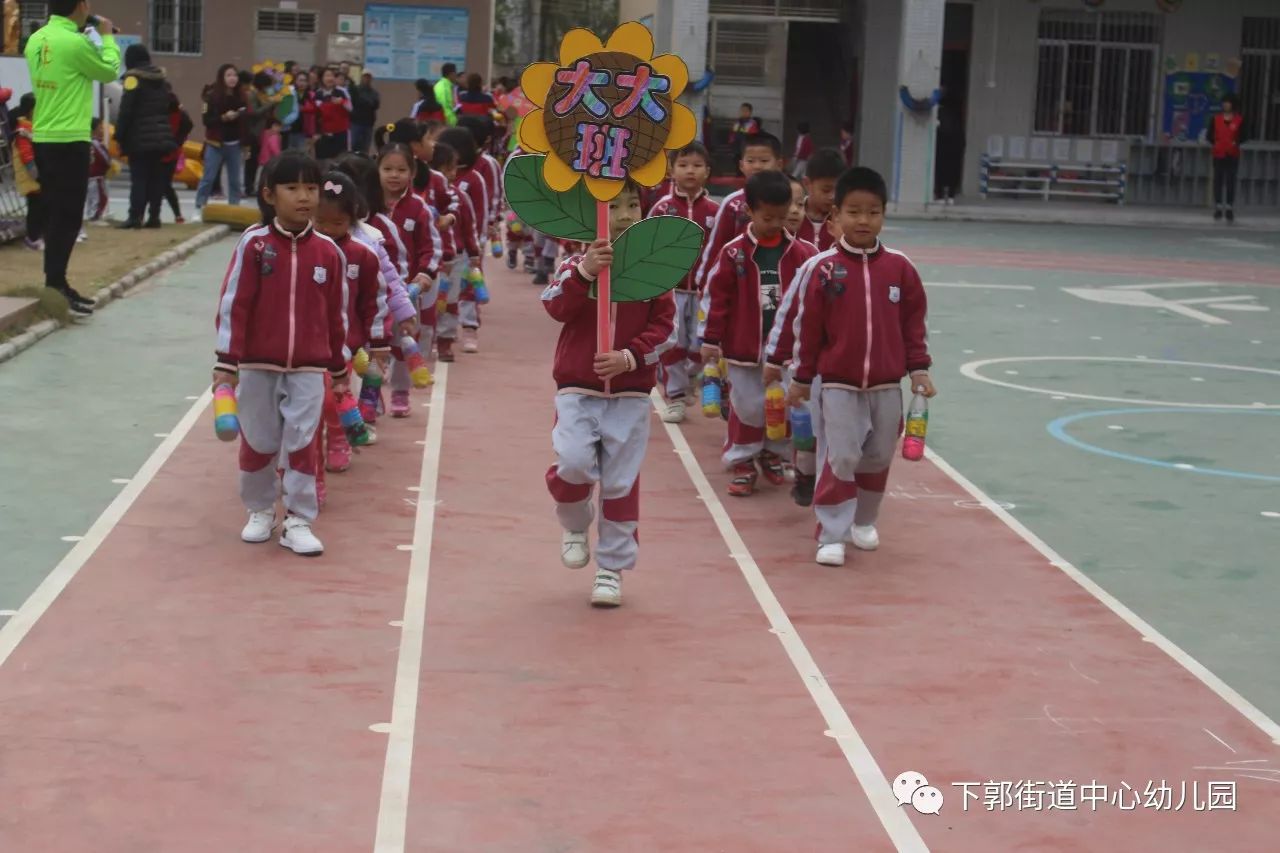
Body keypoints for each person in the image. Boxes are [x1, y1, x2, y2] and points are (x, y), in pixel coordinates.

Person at [781, 167, 936, 567]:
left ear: (884, 215)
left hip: (886, 384)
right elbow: (808, 329)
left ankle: (864, 521)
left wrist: (918, 368)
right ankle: (831, 532)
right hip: (837, 384)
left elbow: (913, 324)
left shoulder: (901, 268)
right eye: (853, 212)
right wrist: (801, 377)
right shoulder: (824, 268)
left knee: (880, 454)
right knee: (841, 456)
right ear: (836, 216)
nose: (863, 220)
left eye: (872, 212)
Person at [542, 181, 676, 607]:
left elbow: (666, 329)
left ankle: (611, 569)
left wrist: (630, 358)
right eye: (612, 205)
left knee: (620, 482)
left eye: (632, 204)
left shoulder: (654, 269)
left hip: (630, 394)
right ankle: (575, 520)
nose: (623, 214)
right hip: (577, 389)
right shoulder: (573, 265)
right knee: (574, 463)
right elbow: (555, 307)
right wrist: (584, 274)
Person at [212, 151, 349, 556]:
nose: (304, 197)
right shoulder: (253, 245)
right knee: (259, 439)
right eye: (292, 188)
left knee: (303, 441)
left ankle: (298, 519)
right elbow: (233, 304)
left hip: (309, 365)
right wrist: (227, 361)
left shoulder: (328, 252)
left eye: (311, 187)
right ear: (270, 195)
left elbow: (335, 314)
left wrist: (339, 366)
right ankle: (259, 510)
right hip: (257, 363)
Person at [701, 170, 818, 497]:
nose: (777, 223)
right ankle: (742, 460)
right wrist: (710, 339)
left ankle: (773, 453)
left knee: (781, 405)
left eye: (783, 217)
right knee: (748, 406)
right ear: (749, 211)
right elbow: (717, 299)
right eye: (768, 217)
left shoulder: (803, 255)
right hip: (742, 349)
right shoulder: (734, 253)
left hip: (784, 354)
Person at [24, 0, 121, 318]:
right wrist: (106, 37)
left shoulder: (37, 38)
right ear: (80, 5)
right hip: (70, 139)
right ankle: (56, 284)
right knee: (69, 217)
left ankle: (56, 281)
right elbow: (109, 70)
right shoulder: (75, 43)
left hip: (44, 136)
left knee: (56, 213)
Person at [312, 170, 388, 475]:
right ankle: (306, 450)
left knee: (335, 399)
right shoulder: (305, 252)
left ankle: (339, 439)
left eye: (338, 223)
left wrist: (379, 341)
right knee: (307, 404)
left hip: (345, 345)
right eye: (320, 223)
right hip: (307, 344)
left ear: (353, 220)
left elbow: (375, 300)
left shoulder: (363, 256)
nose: (329, 230)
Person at [648, 142, 719, 423]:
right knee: (673, 341)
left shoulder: (716, 211)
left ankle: (689, 378)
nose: (690, 170)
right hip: (671, 290)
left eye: (697, 165)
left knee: (698, 345)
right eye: (684, 165)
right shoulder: (662, 208)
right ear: (672, 170)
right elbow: (649, 246)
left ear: (708, 172)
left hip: (704, 293)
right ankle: (676, 396)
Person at [693, 132, 782, 293]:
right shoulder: (732, 204)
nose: (757, 166)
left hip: (778, 279)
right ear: (741, 165)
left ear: (779, 164)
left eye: (764, 161)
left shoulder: (787, 200)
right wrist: (704, 282)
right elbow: (717, 245)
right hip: (738, 279)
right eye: (750, 161)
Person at [114, 43, 177, 229]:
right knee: (156, 178)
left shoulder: (132, 79)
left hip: (140, 138)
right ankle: (154, 217)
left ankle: (135, 216)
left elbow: (126, 109)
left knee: (139, 178)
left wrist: (119, 135)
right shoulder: (161, 80)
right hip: (161, 136)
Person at [195, 64, 247, 209]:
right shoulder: (211, 96)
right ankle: (200, 205)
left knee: (235, 180)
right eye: (229, 75)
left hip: (235, 144)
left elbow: (247, 116)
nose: (232, 78)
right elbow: (207, 120)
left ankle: (233, 207)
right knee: (208, 177)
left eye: (235, 75)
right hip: (215, 143)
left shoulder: (241, 95)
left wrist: (240, 115)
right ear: (221, 77)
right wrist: (224, 117)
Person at [11, 94, 44, 251]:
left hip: (35, 171)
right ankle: (32, 238)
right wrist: (33, 170)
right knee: (36, 206)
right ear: (31, 109)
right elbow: (26, 153)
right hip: (31, 173)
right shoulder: (23, 128)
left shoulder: (29, 126)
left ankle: (37, 235)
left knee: (40, 204)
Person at [795, 148, 843, 251]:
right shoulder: (793, 217)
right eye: (826, 190)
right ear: (807, 184)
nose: (832, 196)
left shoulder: (843, 221)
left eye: (838, 190)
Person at [1208, 95, 1245, 222]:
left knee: (1230, 181)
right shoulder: (1215, 119)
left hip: (1232, 154)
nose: (1225, 105)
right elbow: (1209, 135)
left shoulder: (1239, 120)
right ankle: (1218, 207)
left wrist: (1236, 142)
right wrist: (1216, 142)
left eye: (1228, 103)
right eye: (1224, 102)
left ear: (1233, 105)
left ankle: (1229, 207)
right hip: (1218, 153)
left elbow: (1245, 135)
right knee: (1217, 180)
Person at [159, 100, 193, 224]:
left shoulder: (178, 113)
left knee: (164, 184)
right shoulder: (177, 112)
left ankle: (175, 214)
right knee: (164, 185)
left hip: (167, 152)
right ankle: (176, 214)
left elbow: (188, 125)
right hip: (167, 151)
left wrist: (177, 142)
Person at [243, 71, 277, 194]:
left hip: (260, 131)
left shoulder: (261, 94)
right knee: (251, 162)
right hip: (253, 132)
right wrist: (270, 105)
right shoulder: (252, 95)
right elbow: (254, 113)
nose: (268, 88)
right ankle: (248, 187)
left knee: (255, 161)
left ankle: (251, 186)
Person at [313, 67, 352, 161]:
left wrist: (342, 102)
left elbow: (350, 108)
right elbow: (315, 115)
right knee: (322, 162)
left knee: (340, 161)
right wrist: (316, 132)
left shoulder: (341, 91)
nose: (330, 78)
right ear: (321, 78)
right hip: (323, 134)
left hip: (340, 133)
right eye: (327, 76)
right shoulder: (317, 94)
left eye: (332, 76)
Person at [349, 72, 380, 154]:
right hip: (356, 121)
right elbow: (354, 102)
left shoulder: (374, 92)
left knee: (365, 146)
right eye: (365, 77)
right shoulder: (355, 90)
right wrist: (367, 102)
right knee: (354, 143)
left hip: (368, 123)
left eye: (368, 77)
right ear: (362, 78)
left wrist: (364, 102)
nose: (367, 79)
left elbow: (376, 105)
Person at [286, 71, 315, 151]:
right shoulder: (290, 93)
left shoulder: (311, 95)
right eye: (300, 80)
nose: (302, 83)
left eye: (305, 80)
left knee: (302, 155)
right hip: (290, 129)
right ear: (295, 81)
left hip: (304, 130)